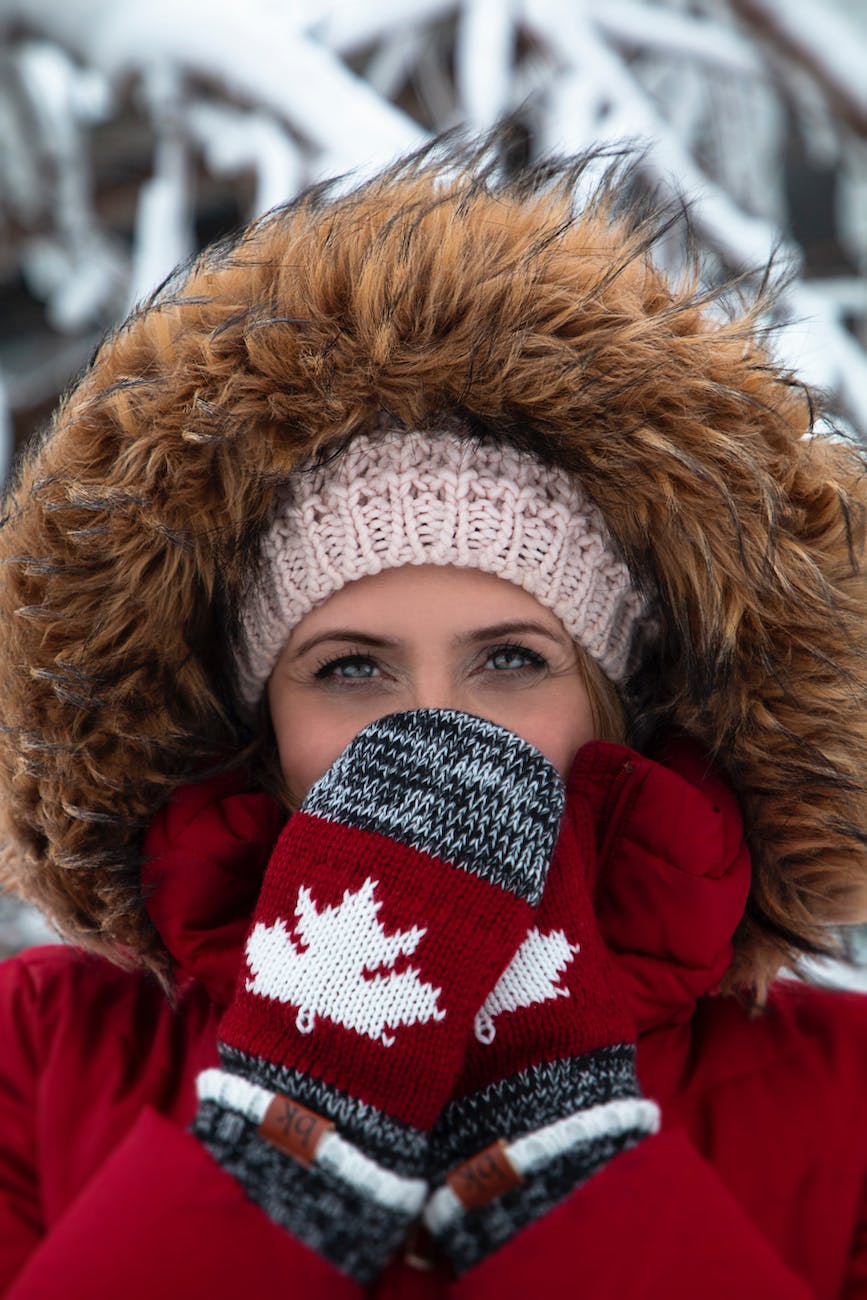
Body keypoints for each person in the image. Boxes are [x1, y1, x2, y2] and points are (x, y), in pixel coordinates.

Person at [0, 137, 865, 1300]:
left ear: (616, 710)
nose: (435, 726)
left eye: (511, 659)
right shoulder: (43, 1050)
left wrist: (559, 1161)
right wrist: (288, 1135)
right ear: (258, 726)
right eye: (351, 668)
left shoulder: (844, 1097)